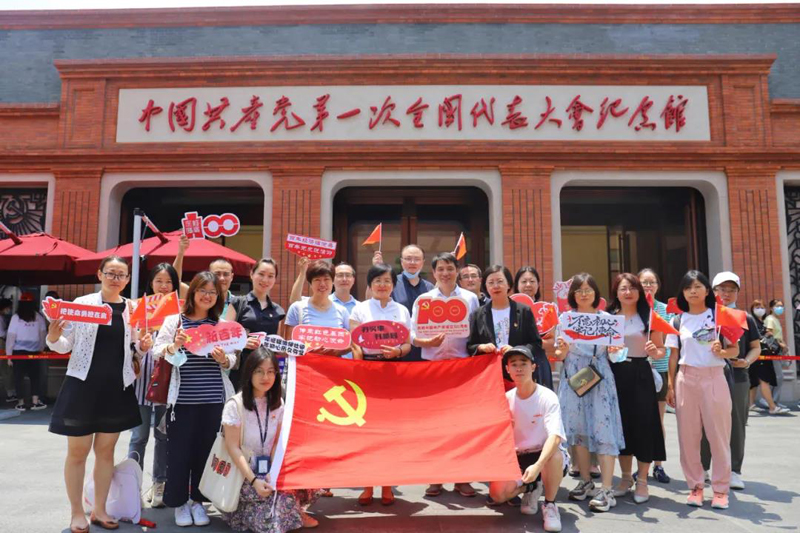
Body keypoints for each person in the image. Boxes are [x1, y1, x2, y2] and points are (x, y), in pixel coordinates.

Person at [46, 255, 151, 533]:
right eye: (111, 273)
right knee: (77, 452)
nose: (115, 278)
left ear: (127, 279)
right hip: (82, 386)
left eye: (121, 274)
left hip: (116, 388)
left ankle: (100, 510)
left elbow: (134, 349)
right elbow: (64, 344)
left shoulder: (133, 309)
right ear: (100, 274)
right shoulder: (83, 304)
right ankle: (76, 512)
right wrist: (53, 337)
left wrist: (143, 346)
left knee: (106, 452)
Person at [154, 271, 238, 527]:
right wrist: (174, 345)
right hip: (181, 402)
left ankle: (198, 502)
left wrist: (224, 359)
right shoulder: (175, 321)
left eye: (213, 292)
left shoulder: (220, 325)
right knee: (178, 454)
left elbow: (233, 359)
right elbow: (158, 350)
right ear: (193, 293)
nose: (207, 296)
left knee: (205, 453)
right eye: (203, 290)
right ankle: (179, 503)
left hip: (213, 400)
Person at [220, 347, 321, 532]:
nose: (265, 377)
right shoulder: (235, 405)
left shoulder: (278, 403)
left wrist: (274, 474)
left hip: (268, 469)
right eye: (259, 371)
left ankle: (290, 511)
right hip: (243, 474)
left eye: (270, 371)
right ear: (249, 373)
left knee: (307, 476)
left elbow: (275, 444)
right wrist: (254, 481)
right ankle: (287, 512)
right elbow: (232, 448)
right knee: (274, 511)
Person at [666, 270, 738, 510]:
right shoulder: (677, 320)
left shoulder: (720, 316)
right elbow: (673, 355)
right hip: (686, 379)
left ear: (708, 290)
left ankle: (720, 490)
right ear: (683, 293)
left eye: (698, 286)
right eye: (688, 287)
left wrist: (722, 352)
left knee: (718, 437)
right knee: (688, 438)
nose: (693, 291)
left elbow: (735, 350)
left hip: (714, 377)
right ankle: (695, 486)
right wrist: (670, 385)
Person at [553, 272, 624, 513]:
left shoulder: (607, 320)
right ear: (572, 294)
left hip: (599, 378)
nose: (584, 294)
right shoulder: (565, 319)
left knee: (604, 429)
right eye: (579, 290)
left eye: (588, 289)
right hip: (574, 379)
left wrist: (616, 350)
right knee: (578, 431)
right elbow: (559, 355)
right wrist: (562, 349)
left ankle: (607, 489)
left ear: (596, 293)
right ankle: (585, 481)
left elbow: (617, 355)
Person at [411, 252, 480, 497]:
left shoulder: (470, 298)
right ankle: (436, 477)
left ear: (457, 271)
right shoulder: (423, 300)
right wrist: (426, 341)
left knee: (463, 425)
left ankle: (462, 478)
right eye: (440, 269)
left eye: (450, 268)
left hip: (462, 368)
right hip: (434, 368)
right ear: (434, 273)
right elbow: (412, 336)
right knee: (435, 425)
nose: (445, 273)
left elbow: (478, 332)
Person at [349, 263, 413, 506]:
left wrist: (398, 351)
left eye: (387, 281)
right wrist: (361, 370)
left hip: (392, 372)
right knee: (366, 431)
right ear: (370, 284)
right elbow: (355, 343)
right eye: (377, 280)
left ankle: (387, 485)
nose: (382, 285)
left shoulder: (402, 311)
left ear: (393, 285)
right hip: (367, 372)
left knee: (390, 432)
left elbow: (407, 344)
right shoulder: (360, 309)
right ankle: (367, 485)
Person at [488, 346, 567, 532]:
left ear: (533, 367)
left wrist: (538, 465)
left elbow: (555, 437)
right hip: (518, 456)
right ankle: (531, 487)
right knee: (497, 494)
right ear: (507, 369)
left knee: (554, 455)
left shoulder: (547, 396)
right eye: (514, 364)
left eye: (523, 363)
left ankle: (550, 504)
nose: (519, 368)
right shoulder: (505, 399)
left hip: (544, 453)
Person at [606, 273, 667, 504]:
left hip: (641, 373)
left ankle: (642, 480)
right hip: (616, 374)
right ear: (616, 292)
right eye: (623, 288)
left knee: (643, 426)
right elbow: (601, 348)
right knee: (622, 427)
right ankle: (624, 478)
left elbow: (661, 350)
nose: (628, 292)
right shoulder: (610, 318)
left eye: (632, 288)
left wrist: (654, 351)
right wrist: (609, 350)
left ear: (640, 292)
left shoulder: (649, 317)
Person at [700, 272, 761, 492]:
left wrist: (747, 361)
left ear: (737, 292)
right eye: (722, 289)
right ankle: (702, 468)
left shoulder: (745, 317)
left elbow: (755, 347)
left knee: (736, 423)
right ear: (713, 291)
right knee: (705, 421)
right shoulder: (705, 316)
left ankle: (734, 471)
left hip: (738, 376)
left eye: (731, 290)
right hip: (707, 375)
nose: (726, 293)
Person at [128, 262, 179, 509]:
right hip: (140, 383)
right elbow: (128, 344)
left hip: (165, 386)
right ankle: (132, 486)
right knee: (138, 436)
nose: (163, 286)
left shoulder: (179, 313)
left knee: (163, 436)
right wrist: (139, 347)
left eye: (169, 281)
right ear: (151, 283)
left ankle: (160, 484)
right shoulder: (137, 308)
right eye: (159, 280)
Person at [467, 265, 551, 390]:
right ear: (486, 287)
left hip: (519, 372)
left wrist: (517, 350)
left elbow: (536, 343)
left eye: (500, 281)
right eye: (491, 282)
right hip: (491, 375)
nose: (496, 286)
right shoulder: (478, 314)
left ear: (509, 284)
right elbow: (470, 346)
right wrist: (481, 347)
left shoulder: (524, 311)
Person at [637, 268, 673, 484]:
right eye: (644, 282)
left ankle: (658, 465)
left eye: (652, 282)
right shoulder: (632, 308)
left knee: (658, 420)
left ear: (658, 286)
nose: (648, 286)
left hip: (659, 368)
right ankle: (640, 466)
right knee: (639, 420)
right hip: (638, 369)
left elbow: (670, 343)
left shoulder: (665, 310)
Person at [231, 258, 286, 389]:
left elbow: (278, 346)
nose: (265, 280)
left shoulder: (278, 311)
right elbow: (226, 338)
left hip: (267, 373)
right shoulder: (238, 303)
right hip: (242, 370)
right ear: (252, 274)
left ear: (275, 279)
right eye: (261, 274)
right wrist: (243, 342)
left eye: (270, 276)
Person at [373, 244, 434, 361]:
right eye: (408, 258)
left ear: (423, 262)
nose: (412, 262)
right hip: (397, 347)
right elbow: (373, 301)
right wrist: (377, 271)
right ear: (401, 262)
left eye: (417, 259)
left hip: (424, 347)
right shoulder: (391, 284)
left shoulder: (430, 288)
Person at [284, 260, 351, 357]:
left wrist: (337, 351)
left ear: (332, 282)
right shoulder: (297, 308)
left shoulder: (342, 311)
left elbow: (351, 343)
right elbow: (288, 345)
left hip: (334, 364)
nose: (322, 284)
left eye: (326, 279)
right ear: (310, 283)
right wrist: (309, 351)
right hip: (304, 365)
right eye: (317, 280)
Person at [6, 292, 48, 411]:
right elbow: (43, 335)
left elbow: (11, 337)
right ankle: (35, 402)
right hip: (34, 353)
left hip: (18, 353)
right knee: (35, 377)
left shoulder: (16, 318)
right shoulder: (39, 317)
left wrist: (9, 356)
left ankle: (21, 403)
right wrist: (41, 349)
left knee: (18, 378)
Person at [748, 300, 787, 415]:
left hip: (761, 354)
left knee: (754, 381)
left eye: (762, 307)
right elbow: (757, 337)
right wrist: (768, 335)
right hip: (760, 354)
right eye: (757, 307)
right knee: (764, 380)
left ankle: (750, 404)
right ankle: (772, 406)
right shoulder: (752, 321)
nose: (760, 309)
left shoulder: (762, 322)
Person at [763, 299, 789, 410]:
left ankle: (775, 401)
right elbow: (769, 333)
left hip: (778, 350)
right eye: (778, 306)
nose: (780, 308)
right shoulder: (770, 319)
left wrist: (783, 345)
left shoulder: (776, 319)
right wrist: (780, 344)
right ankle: (771, 401)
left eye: (782, 306)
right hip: (773, 350)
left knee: (777, 376)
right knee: (779, 376)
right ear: (771, 308)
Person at [0, 297, 15, 403]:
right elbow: (1, 333)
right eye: (9, 308)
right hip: (1, 343)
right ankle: (11, 393)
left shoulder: (2, 318)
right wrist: (10, 331)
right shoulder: (0, 318)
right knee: (5, 369)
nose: (9, 310)